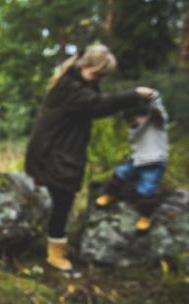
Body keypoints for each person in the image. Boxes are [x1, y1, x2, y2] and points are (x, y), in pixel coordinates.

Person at [25, 44, 155, 277]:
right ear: (85, 66)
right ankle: (55, 254)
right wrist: (133, 94)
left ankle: (55, 245)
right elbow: (98, 106)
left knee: (61, 201)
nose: (99, 80)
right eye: (97, 74)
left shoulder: (79, 83)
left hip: (60, 151)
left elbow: (98, 103)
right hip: (54, 153)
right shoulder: (70, 88)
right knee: (62, 201)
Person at [95, 91, 169, 231]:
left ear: (144, 114)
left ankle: (146, 215)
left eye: (135, 118)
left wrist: (154, 97)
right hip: (136, 161)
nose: (132, 122)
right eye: (129, 120)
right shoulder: (133, 129)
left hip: (154, 163)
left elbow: (159, 110)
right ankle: (111, 195)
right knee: (120, 173)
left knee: (146, 189)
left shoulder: (156, 123)